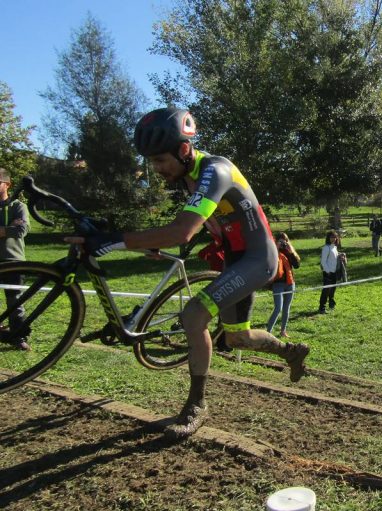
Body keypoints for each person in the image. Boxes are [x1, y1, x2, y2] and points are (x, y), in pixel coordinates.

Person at [66, 107, 310, 439]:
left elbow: (182, 230)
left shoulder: (215, 171)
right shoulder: (186, 176)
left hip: (257, 258)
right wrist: (154, 241)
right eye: (151, 162)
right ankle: (291, 351)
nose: (156, 169)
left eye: (160, 160)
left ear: (184, 149)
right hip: (236, 258)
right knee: (237, 338)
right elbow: (200, 220)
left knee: (193, 315)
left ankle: (197, 405)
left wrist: (115, 241)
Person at [0, 168, 31, 351]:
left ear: (7, 184)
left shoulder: (18, 206)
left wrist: (8, 229)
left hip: (13, 261)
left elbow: (20, 230)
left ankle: (18, 337)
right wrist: (7, 229)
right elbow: (11, 229)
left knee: (15, 302)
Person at [266, 232, 300, 337]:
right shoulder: (273, 252)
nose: (283, 243)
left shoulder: (289, 251)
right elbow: (269, 265)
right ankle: (268, 332)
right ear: (276, 241)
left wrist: (291, 251)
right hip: (278, 284)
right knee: (278, 308)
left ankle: (283, 331)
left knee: (286, 309)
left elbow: (297, 265)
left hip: (290, 283)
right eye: (280, 241)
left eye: (284, 241)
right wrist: (276, 248)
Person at [318, 230, 340, 314]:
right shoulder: (326, 248)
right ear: (328, 238)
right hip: (328, 272)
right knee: (326, 290)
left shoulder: (334, 247)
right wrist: (328, 271)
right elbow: (323, 261)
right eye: (331, 237)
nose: (333, 239)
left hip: (334, 272)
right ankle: (322, 307)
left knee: (332, 289)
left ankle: (331, 303)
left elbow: (334, 257)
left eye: (335, 237)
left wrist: (341, 255)